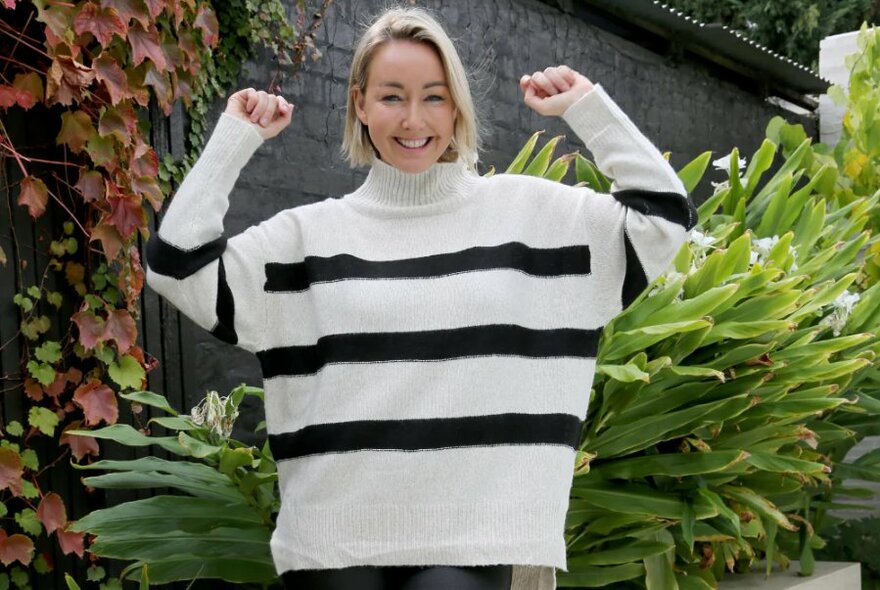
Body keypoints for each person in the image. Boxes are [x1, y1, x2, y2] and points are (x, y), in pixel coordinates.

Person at [145, 6, 697, 590]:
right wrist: (235, 138)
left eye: (434, 97)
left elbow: (662, 220)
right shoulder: (305, 239)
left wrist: (588, 108)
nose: (414, 119)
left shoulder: (534, 218)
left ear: (457, 105)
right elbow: (177, 268)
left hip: (477, 531)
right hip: (335, 533)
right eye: (392, 97)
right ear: (359, 104)